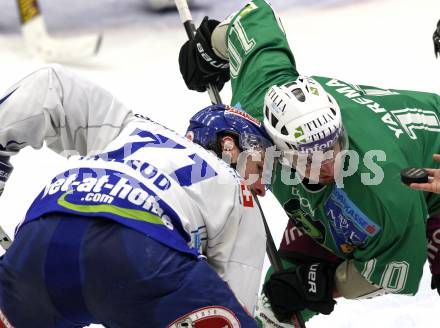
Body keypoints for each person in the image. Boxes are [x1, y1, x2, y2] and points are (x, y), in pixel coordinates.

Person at [179, 0, 440, 326]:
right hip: (339, 204)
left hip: (430, 177)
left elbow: (390, 270)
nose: (331, 162)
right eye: (312, 157)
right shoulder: (260, 97)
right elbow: (252, 17)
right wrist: (212, 46)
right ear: (278, 145)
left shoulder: (379, 192)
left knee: (295, 290)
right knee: (273, 309)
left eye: (335, 145)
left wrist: (324, 285)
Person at [0, 65, 271, 327]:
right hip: (139, 252)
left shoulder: (128, 126)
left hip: (44, 234)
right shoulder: (237, 189)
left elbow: (50, 85)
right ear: (229, 145)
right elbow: (234, 302)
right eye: (261, 167)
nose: (262, 188)